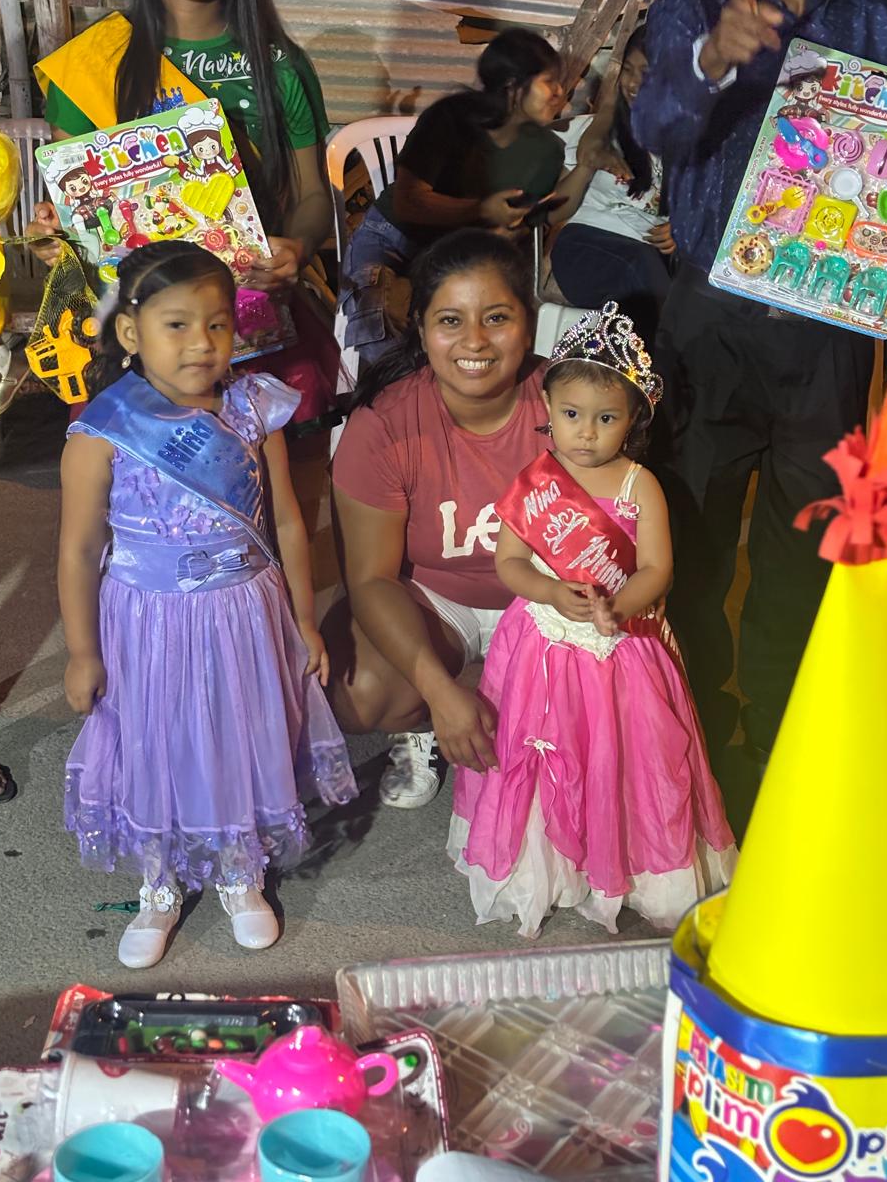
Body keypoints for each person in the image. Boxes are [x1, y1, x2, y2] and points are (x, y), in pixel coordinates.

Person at [630, 0, 887, 769]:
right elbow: (652, 128)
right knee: (690, 535)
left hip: (829, 330)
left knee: (803, 545)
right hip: (709, 323)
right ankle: (694, 735)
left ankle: (780, 738)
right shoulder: (689, 15)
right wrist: (711, 62)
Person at [58, 242, 356, 968]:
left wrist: (304, 620)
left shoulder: (254, 409)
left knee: (236, 731)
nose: (201, 343)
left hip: (243, 614)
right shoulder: (104, 430)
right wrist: (82, 652)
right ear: (130, 332)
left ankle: (237, 867)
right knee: (156, 738)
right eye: (177, 325)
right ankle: (159, 882)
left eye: (217, 324)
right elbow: (79, 549)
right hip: (148, 620)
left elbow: (288, 521)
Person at [449, 306, 736, 936]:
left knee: (621, 755)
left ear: (633, 420)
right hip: (541, 645)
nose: (586, 432)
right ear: (548, 409)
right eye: (572, 414)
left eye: (606, 418)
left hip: (622, 649)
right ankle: (549, 864)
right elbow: (509, 564)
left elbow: (657, 568)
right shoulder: (537, 483)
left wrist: (619, 606)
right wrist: (551, 591)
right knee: (543, 751)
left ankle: (626, 864)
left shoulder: (641, 485)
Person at [27, 0, 337, 418]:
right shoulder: (92, 64)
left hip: (252, 325)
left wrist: (299, 249)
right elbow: (75, 210)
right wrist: (55, 236)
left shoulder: (279, 65)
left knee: (276, 467)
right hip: (135, 340)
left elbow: (312, 195)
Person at [326, 230, 551, 808]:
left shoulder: (568, 401)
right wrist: (439, 693)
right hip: (437, 598)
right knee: (358, 691)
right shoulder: (385, 424)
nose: (474, 340)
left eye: (496, 317)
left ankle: (525, 705)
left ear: (528, 324)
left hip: (544, 596)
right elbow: (371, 579)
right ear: (422, 330)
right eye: (450, 320)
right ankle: (426, 722)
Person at [340, 29, 590, 364]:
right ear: (513, 86)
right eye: (549, 82)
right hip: (394, 240)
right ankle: (398, 394)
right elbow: (408, 202)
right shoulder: (450, 119)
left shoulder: (546, 150)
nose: (562, 94)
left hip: (458, 259)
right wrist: (483, 209)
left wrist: (587, 166)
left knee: (479, 342)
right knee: (379, 327)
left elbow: (534, 218)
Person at [548, 26, 675, 345]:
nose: (633, 83)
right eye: (628, 70)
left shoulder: (687, 144)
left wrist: (681, 231)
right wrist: (587, 165)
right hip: (586, 247)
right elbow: (553, 213)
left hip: (651, 261)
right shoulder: (597, 131)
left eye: (647, 73)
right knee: (641, 270)